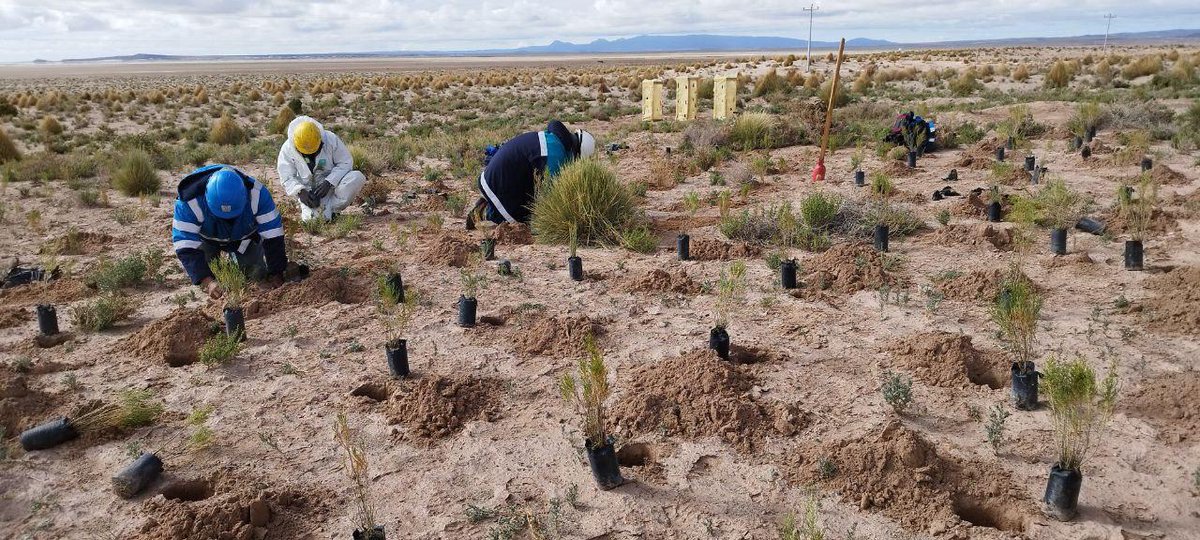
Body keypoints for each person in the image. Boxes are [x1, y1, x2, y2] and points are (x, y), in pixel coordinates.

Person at [171, 165, 287, 298]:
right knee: (208, 276)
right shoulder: (189, 201)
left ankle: (241, 262)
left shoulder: (258, 194)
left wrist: (276, 273)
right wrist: (207, 282)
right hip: (206, 239)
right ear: (207, 198)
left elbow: (273, 235)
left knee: (256, 274)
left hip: (244, 237)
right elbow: (185, 245)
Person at [467, 120, 596, 228]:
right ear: (577, 153)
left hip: (496, 177)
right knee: (520, 224)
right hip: (497, 183)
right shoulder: (556, 154)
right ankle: (483, 213)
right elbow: (548, 195)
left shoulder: (552, 139)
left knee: (528, 206)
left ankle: (489, 203)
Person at [276, 116, 366, 221]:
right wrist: (301, 192)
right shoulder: (287, 149)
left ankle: (333, 210)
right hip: (308, 193)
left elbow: (345, 162)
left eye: (315, 151)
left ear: (321, 141)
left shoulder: (331, 139)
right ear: (297, 148)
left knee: (356, 177)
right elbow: (286, 176)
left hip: (331, 187)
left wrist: (329, 182)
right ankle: (322, 212)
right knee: (313, 220)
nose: (312, 155)